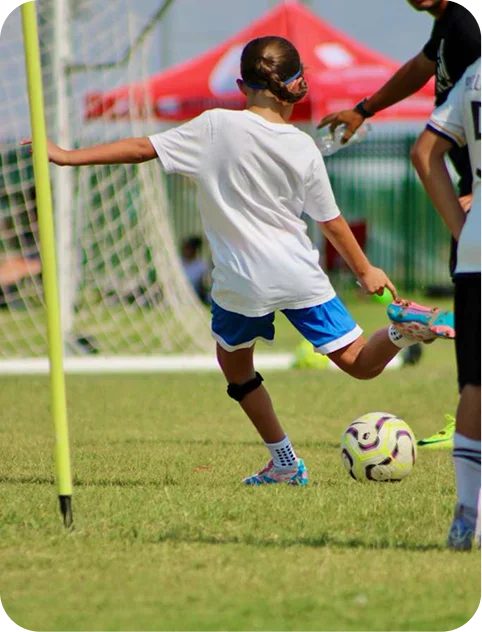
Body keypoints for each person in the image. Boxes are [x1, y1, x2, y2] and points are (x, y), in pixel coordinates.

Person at [24, 36, 454, 486]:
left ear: (239, 84)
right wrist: (365, 269)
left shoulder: (212, 126)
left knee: (236, 368)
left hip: (241, 280)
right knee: (359, 362)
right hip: (297, 272)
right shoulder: (302, 146)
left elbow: (140, 148)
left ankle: (286, 463)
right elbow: (331, 221)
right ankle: (399, 331)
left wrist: (68, 157)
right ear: (295, 86)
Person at [318, 0, 482, 450]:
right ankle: (472, 418)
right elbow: (420, 67)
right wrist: (364, 109)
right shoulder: (449, 26)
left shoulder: (470, 22)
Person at [411, 57, 482, 550]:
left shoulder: (476, 71)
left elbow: (424, 153)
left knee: (476, 385)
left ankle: (467, 513)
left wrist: (464, 233)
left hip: (478, 254)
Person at [180, 235, 211, 304]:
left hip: (195, 295)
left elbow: (204, 285)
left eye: (189, 248)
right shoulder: (178, 263)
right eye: (185, 248)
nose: (186, 251)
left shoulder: (201, 265)